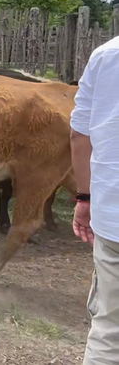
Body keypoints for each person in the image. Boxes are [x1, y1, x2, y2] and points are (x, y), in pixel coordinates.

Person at [71, 33, 119, 364]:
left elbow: (79, 133)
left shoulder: (105, 55)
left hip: (113, 216)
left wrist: (84, 197)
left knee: (108, 328)